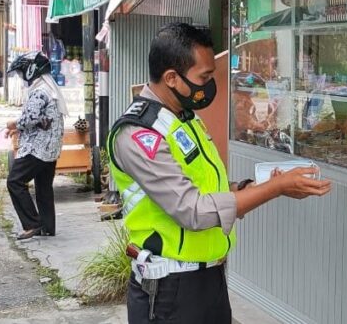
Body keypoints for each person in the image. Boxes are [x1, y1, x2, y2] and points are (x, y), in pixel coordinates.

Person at [109, 22, 331, 324]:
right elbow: (193, 211)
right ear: (172, 78)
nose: (210, 85)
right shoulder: (139, 134)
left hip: (208, 280)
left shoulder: (183, 119)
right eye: (205, 77)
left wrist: (251, 186)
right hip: (168, 290)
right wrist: (275, 188)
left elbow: (206, 187)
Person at [5, 51, 68, 240]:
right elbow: (40, 119)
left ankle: (32, 224)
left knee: (14, 182)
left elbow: (30, 118)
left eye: (22, 71)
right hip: (51, 148)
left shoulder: (40, 91)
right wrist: (19, 128)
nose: (22, 75)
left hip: (37, 148)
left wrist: (13, 124)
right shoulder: (50, 88)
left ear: (32, 70)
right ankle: (48, 227)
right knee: (43, 188)